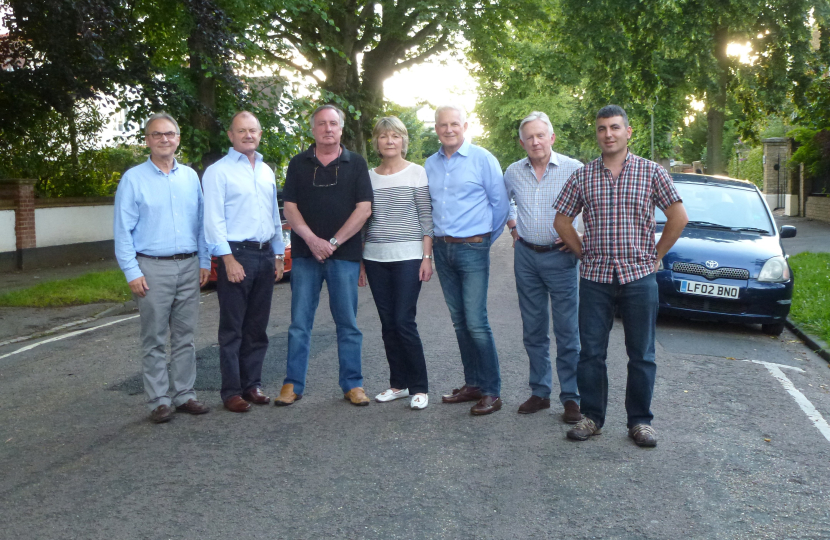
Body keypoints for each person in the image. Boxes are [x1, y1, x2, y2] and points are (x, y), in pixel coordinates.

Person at [553, 105, 688, 447]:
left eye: (615, 127)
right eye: (602, 128)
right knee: (591, 353)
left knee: (641, 353)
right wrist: (584, 253)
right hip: (596, 277)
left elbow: (678, 217)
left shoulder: (651, 172)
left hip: (639, 276)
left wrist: (656, 256)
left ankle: (640, 421)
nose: (608, 134)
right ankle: (592, 417)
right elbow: (562, 221)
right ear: (597, 134)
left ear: (628, 132)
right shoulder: (583, 176)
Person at [113, 112, 211, 423]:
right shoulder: (133, 179)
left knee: (185, 336)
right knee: (154, 337)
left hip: (188, 264)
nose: (164, 139)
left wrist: (205, 260)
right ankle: (158, 400)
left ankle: (184, 395)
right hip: (151, 268)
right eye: (157, 135)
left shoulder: (190, 177)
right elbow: (122, 231)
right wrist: (132, 272)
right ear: (147, 140)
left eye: (169, 134)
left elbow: (201, 223)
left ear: (178, 139)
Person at [277, 104, 374, 407]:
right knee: (299, 324)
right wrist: (312, 240)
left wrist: (332, 242)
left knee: (347, 324)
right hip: (306, 255)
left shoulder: (356, 164)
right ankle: (292, 384)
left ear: (341, 129)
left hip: (344, 256)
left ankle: (352, 384)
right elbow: (289, 208)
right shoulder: (298, 164)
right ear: (313, 129)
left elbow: (364, 209)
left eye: (333, 124)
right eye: (321, 124)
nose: (327, 129)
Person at [425, 104, 510, 416]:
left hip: (473, 248)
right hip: (443, 250)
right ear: (436, 128)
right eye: (443, 125)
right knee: (459, 321)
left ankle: (492, 391)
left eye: (454, 124)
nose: (449, 129)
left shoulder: (483, 159)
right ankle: (472, 384)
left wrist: (484, 239)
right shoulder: (430, 165)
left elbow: (499, 205)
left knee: (476, 321)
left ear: (465, 125)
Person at [203, 111, 285, 413]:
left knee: (257, 327)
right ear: (230, 135)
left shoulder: (265, 170)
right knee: (233, 329)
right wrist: (227, 258)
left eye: (253, 130)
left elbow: (274, 216)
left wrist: (278, 254)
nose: (248, 135)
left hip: (265, 255)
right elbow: (212, 220)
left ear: (260, 134)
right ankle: (232, 392)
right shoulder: (218, 172)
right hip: (236, 255)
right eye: (241, 131)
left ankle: (252, 385)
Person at [504, 111, 582, 423]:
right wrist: (513, 225)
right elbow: (505, 202)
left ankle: (572, 398)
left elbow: (593, 205)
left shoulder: (574, 169)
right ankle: (540, 392)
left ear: (551, 138)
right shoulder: (512, 171)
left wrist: (580, 236)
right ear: (522, 142)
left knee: (566, 330)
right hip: (526, 256)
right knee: (533, 328)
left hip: (561, 257)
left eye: (541, 135)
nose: (535, 141)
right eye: (529, 137)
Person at [358, 116, 434, 410]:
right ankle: (398, 384)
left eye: (395, 136)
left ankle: (419, 387)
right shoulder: (367, 176)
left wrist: (427, 257)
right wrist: (362, 261)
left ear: (404, 141)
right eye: (383, 136)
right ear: (375, 142)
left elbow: (426, 218)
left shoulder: (417, 173)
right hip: (376, 258)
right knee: (388, 324)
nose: (389, 141)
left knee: (404, 321)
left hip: (409, 257)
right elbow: (364, 221)